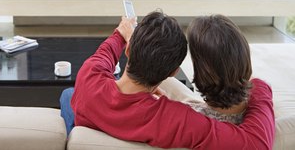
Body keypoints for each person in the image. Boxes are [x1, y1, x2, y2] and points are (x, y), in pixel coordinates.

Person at [66, 11, 274, 149]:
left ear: (128, 50)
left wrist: (121, 34)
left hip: (91, 120)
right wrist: (259, 87)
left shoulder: (89, 74)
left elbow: (103, 54)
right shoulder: (175, 117)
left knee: (68, 95)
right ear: (173, 72)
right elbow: (256, 144)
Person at [185, 14, 252, 124]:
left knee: (172, 81)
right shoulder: (257, 108)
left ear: (203, 71)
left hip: (195, 103)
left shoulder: (193, 119)